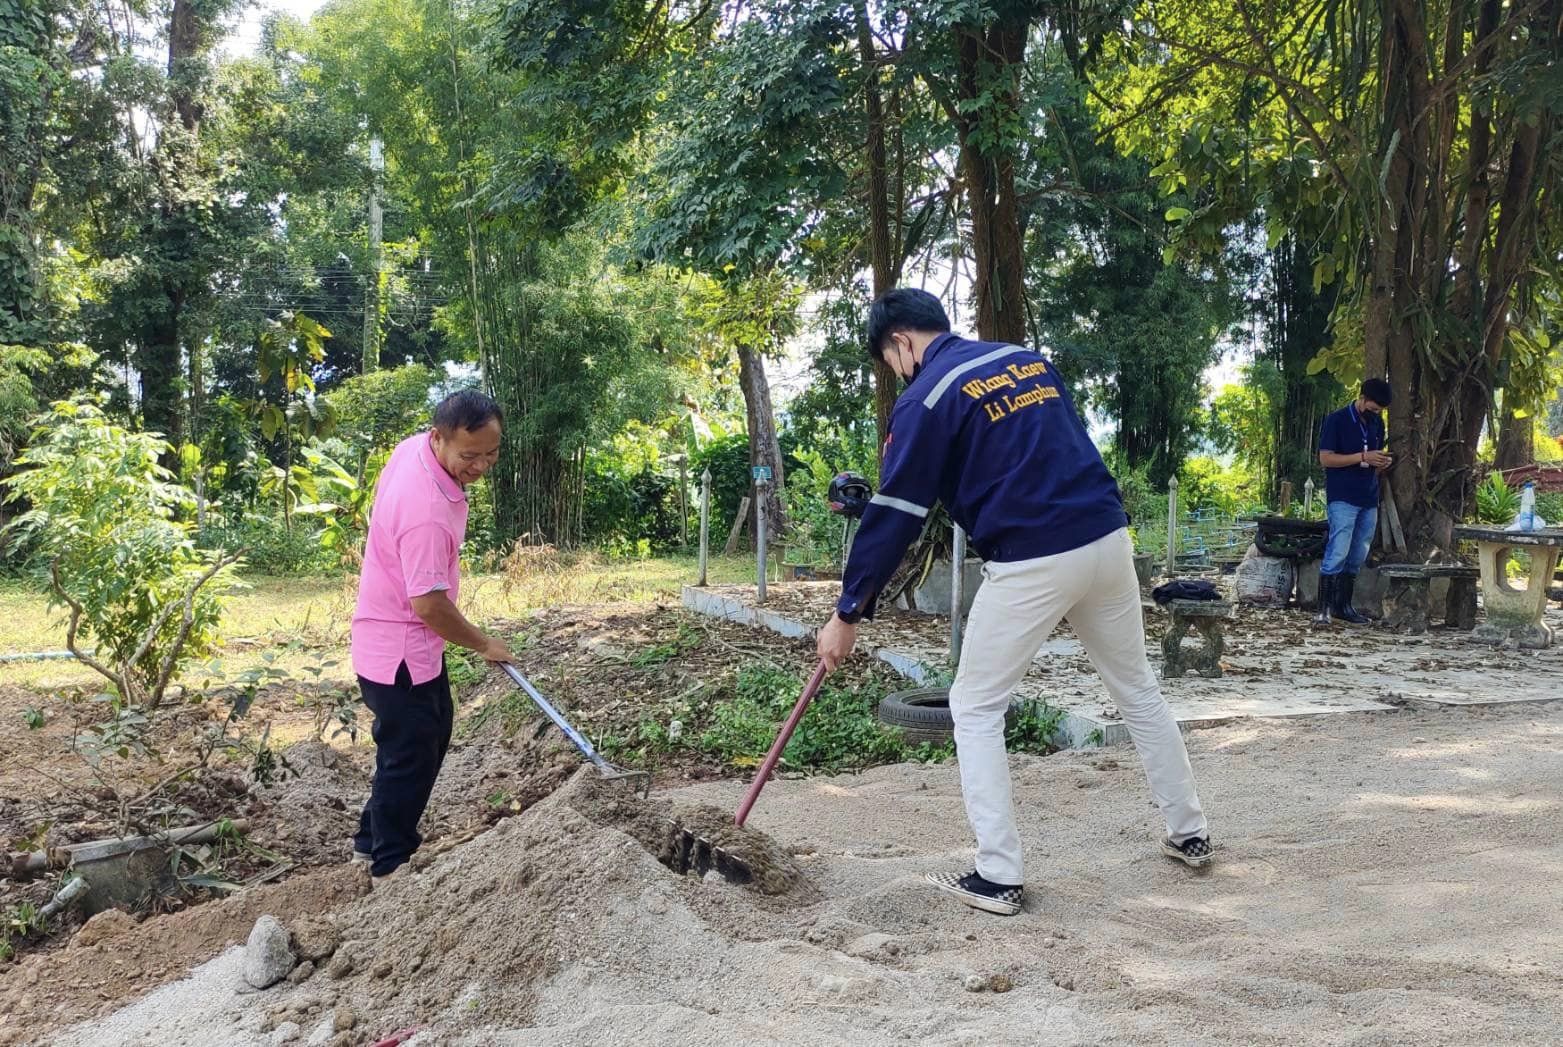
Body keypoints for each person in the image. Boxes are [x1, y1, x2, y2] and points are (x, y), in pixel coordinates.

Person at [815, 288, 1211, 917]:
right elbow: (1031, 454)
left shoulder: (927, 398)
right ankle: (1189, 831)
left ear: (900, 343)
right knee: (1136, 688)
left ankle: (998, 875)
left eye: (887, 363)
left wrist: (848, 613)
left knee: (973, 704)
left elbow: (897, 514)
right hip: (1107, 541)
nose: (894, 375)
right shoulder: (1025, 361)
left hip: (1032, 559)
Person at [349, 390, 515, 882]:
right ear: (440, 438)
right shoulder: (425, 512)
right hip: (398, 651)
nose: (481, 465)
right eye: (470, 455)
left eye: (491, 453)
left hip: (400, 642)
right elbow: (429, 605)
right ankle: (389, 866)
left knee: (431, 731)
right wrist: (485, 644)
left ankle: (368, 841)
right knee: (411, 753)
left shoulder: (414, 449)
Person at [1315, 379, 1393, 626]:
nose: (1376, 414)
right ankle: (1323, 609)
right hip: (1343, 496)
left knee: (1359, 552)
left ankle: (1343, 606)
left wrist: (1380, 462)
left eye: (1380, 411)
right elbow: (1326, 459)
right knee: (1338, 549)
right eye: (1373, 408)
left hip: (1368, 496)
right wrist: (1362, 456)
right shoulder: (1336, 420)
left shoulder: (1377, 424)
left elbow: (1373, 458)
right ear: (1362, 398)